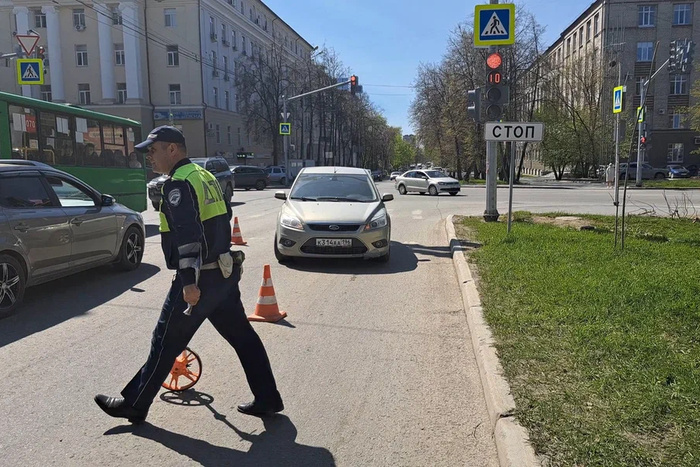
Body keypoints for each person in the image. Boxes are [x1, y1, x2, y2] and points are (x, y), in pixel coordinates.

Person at [94, 125, 283, 423]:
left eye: (153, 151)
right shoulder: (204, 175)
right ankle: (268, 397)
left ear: (172, 149)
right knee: (243, 337)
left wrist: (187, 283)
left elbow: (189, 236)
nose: (149, 158)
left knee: (164, 341)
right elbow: (221, 219)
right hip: (222, 273)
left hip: (200, 279)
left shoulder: (178, 184)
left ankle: (134, 404)